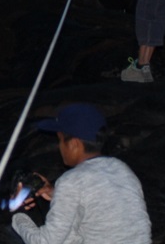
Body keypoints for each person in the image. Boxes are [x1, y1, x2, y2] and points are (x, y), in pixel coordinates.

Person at [11, 103, 152, 244]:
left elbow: (45, 241)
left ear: (74, 144)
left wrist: (18, 212)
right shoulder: (121, 169)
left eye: (60, 140)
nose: (59, 147)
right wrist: (55, 193)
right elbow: (97, 205)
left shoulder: (72, 181)